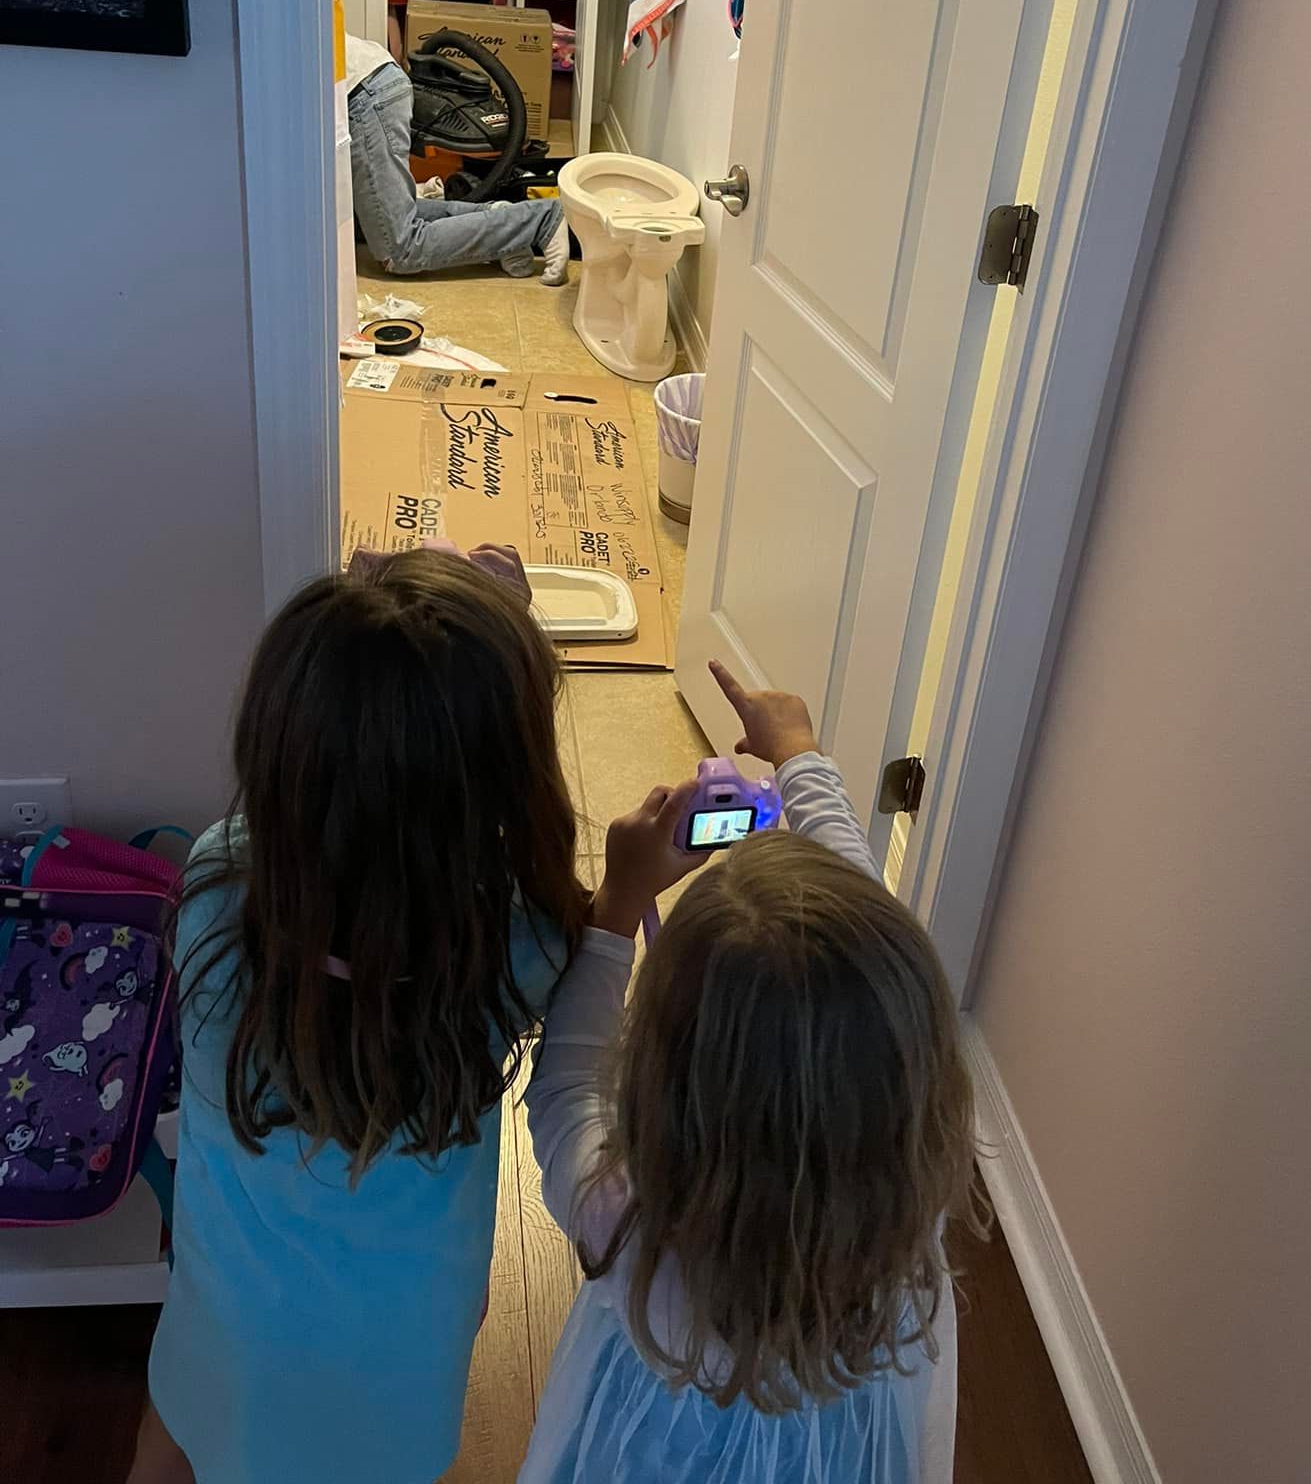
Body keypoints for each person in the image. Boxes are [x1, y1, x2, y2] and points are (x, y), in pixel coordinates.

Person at [129, 548, 590, 1484]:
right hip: (402, 1352)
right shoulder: (518, 949)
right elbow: (585, 994)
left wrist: (388, 667)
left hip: (229, 1324)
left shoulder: (217, 901)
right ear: (499, 786)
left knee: (182, 1427)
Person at [521, 661, 982, 1484]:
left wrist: (619, 902)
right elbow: (872, 944)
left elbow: (562, 1090)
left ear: (662, 1075)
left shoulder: (624, 1221)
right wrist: (801, 760)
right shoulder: (900, 1195)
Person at [346, 33, 570, 282]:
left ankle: (539, 220)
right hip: (371, 77)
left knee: (399, 248)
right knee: (363, 218)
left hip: (364, 93)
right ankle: (500, 223)